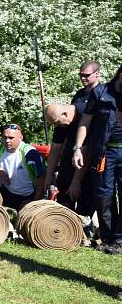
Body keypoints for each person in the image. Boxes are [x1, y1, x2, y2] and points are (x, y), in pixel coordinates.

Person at [44, 61, 104, 227]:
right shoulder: (78, 97)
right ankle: (63, 226)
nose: (83, 78)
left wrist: (76, 181)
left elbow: (85, 148)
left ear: (97, 73)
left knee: (85, 194)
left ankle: (85, 227)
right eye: (81, 75)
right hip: (72, 153)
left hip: (92, 153)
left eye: (86, 75)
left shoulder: (102, 94)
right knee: (64, 189)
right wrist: (49, 176)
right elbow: (56, 146)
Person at [72, 63, 122, 253]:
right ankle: (108, 239)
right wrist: (77, 148)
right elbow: (85, 122)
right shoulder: (100, 93)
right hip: (104, 153)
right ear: (119, 75)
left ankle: (120, 239)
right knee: (104, 196)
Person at [0, 124, 45, 210]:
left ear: (21, 138)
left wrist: (34, 204)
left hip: (27, 196)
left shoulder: (30, 153)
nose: (7, 141)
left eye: (11, 138)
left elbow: (42, 179)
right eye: (5, 138)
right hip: (7, 192)